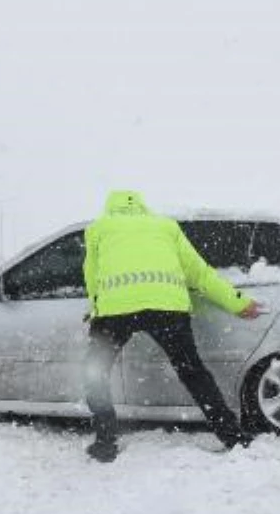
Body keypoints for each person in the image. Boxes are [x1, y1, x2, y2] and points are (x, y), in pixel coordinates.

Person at [81, 189, 266, 462]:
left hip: (116, 311)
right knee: (193, 372)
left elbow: (92, 277)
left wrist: (96, 309)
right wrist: (238, 303)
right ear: (143, 207)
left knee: (94, 372)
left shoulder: (98, 229)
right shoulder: (166, 226)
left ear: (110, 208)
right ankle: (232, 435)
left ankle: (106, 440)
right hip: (168, 308)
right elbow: (199, 273)